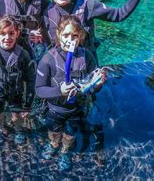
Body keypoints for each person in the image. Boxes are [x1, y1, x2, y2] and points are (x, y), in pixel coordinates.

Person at [35, 15, 106, 171]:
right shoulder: (48, 59)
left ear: (80, 36)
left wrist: (98, 84)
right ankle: (53, 145)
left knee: (71, 133)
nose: (70, 39)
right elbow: (39, 90)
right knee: (54, 132)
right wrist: (58, 90)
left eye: (74, 35)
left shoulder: (87, 56)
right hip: (55, 110)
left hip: (77, 109)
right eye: (66, 35)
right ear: (59, 35)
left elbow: (92, 88)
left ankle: (65, 151)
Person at [44, 0, 150, 63]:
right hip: (61, 66)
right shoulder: (48, 12)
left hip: (87, 65)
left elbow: (118, 15)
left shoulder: (87, 5)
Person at [0, 16, 36, 145]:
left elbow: (31, 81)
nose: (7, 37)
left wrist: (28, 105)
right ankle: (0, 129)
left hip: (16, 93)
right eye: (2, 34)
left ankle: (19, 129)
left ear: (17, 34)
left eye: (11, 33)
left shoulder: (23, 55)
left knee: (17, 116)